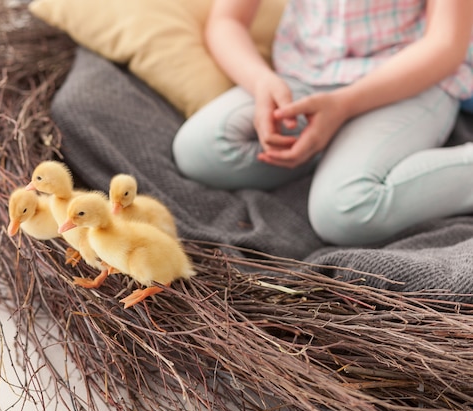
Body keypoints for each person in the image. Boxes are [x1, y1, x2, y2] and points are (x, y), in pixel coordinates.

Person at [172, 0, 473, 246]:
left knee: (344, 212)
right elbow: (227, 21)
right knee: (198, 150)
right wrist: (261, 81)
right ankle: (333, 146)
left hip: (408, 81)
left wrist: (344, 105)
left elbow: (445, 45)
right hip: (305, 74)